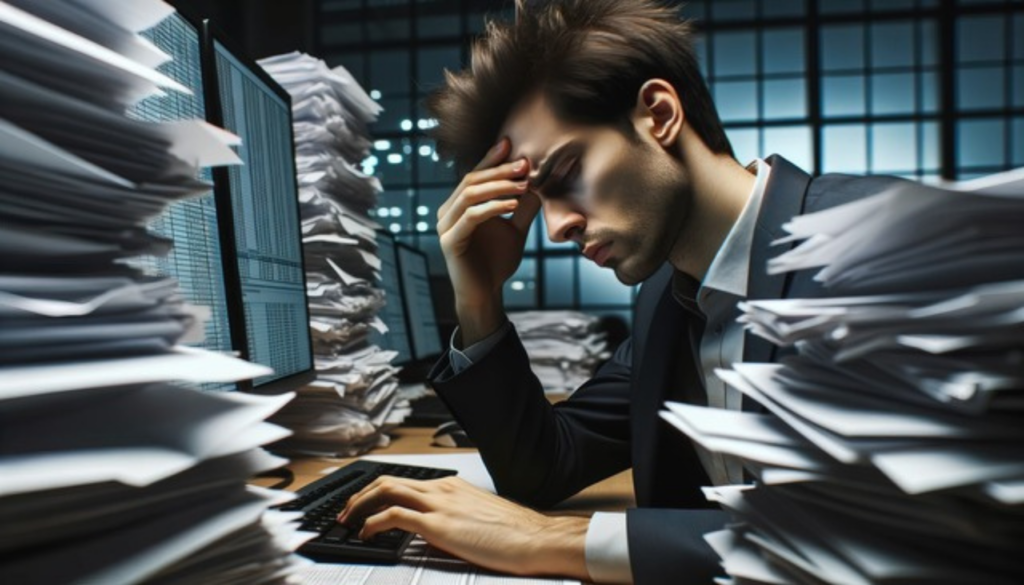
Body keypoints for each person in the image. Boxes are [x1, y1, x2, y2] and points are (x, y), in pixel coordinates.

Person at [338, 1, 904, 582]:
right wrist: (480, 297)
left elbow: (882, 533)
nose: (556, 228)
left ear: (658, 114)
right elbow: (546, 468)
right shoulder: (668, 295)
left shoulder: (876, 246)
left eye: (564, 176)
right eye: (537, 199)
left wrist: (558, 539)